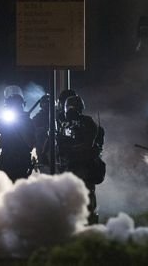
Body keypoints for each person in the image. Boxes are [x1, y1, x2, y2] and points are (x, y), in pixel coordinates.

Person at [56, 94, 106, 224]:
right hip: (69, 166)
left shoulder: (87, 122)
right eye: (69, 107)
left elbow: (87, 144)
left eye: (73, 107)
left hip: (85, 166)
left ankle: (90, 226)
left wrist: (68, 146)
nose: (71, 110)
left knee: (87, 198)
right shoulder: (64, 124)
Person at [0, 86, 36, 182]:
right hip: (5, 159)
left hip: (21, 161)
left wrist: (20, 126)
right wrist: (1, 123)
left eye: (17, 105)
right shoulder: (4, 120)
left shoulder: (28, 122)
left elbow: (31, 143)